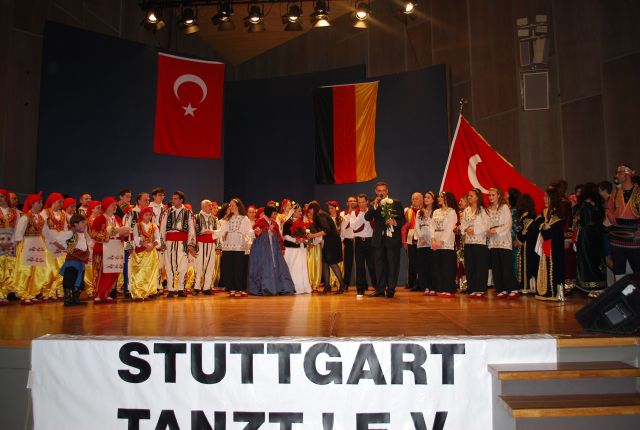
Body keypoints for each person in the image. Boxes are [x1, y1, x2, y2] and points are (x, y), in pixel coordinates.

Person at [365, 181, 405, 298]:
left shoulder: (396, 203)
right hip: (379, 240)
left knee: (392, 265)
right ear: (375, 192)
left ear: (387, 191)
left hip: (392, 239)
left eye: (383, 190)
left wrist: (395, 222)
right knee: (379, 265)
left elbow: (403, 220)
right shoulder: (374, 204)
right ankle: (380, 290)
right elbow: (367, 217)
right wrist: (374, 206)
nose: (381, 193)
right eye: (379, 191)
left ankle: (391, 290)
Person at [213, 198, 257, 296]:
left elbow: (248, 231)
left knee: (239, 268)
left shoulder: (244, 219)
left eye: (232, 205)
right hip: (228, 246)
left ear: (237, 206)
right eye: (230, 205)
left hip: (239, 246)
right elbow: (222, 231)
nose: (230, 207)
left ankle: (240, 288)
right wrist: (212, 232)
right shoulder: (227, 219)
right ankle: (231, 288)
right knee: (228, 268)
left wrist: (255, 232)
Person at [89, 197, 130, 303]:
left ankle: (107, 292)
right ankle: (99, 294)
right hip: (103, 248)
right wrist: (114, 231)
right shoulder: (100, 219)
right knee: (102, 272)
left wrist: (125, 233)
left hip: (116, 248)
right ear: (106, 207)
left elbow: (121, 234)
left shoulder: (117, 219)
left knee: (114, 272)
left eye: (115, 205)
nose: (115, 207)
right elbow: (94, 234)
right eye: (113, 205)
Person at [248, 205, 295, 296]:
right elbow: (255, 233)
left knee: (276, 265)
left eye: (275, 214)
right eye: (273, 214)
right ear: (269, 213)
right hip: (262, 248)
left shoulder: (274, 223)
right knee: (264, 266)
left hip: (273, 248)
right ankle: (265, 287)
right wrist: (267, 229)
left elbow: (279, 236)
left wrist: (282, 247)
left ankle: (278, 287)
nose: (275, 216)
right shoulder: (260, 221)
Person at [606, 165, 640, 279]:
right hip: (616, 236)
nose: (616, 176)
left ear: (627, 174)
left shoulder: (638, 192)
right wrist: (609, 214)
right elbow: (608, 208)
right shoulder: (615, 192)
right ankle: (621, 290)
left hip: (635, 236)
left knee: (637, 269)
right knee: (618, 269)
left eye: (619, 173)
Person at [12, 193, 47, 304]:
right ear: (32, 204)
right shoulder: (25, 217)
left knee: (36, 270)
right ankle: (23, 293)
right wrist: (20, 247)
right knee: (26, 270)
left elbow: (44, 232)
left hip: (38, 244)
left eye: (41, 202)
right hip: (28, 244)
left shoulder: (40, 217)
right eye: (39, 202)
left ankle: (32, 292)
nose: (41, 205)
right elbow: (18, 234)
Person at [160, 191, 196, 298]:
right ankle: (171, 289)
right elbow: (162, 228)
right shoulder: (167, 212)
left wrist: (191, 244)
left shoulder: (188, 213)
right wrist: (162, 242)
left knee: (183, 266)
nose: (173, 200)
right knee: (169, 266)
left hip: (182, 243)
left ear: (181, 200)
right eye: (172, 198)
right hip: (169, 243)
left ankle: (180, 289)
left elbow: (192, 229)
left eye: (175, 198)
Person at [308, 200, 347, 294]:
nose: (310, 212)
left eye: (310, 210)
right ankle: (327, 287)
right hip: (329, 240)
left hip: (332, 241)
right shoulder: (321, 214)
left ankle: (342, 286)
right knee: (325, 263)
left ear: (313, 209)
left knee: (332, 263)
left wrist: (313, 235)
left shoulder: (320, 215)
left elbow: (326, 230)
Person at [574, 182, 606, 296]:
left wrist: (578, 220)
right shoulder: (598, 204)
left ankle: (590, 285)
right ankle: (600, 284)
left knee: (587, 260)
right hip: (598, 234)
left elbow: (586, 221)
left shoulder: (586, 204)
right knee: (597, 259)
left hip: (587, 235)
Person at [487, 186, 519, 299]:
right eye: (489, 195)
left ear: (498, 196)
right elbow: (486, 224)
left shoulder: (504, 207)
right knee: (496, 267)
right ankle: (501, 289)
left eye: (493, 195)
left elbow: (508, 224)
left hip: (504, 241)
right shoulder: (489, 209)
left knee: (506, 266)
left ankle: (513, 288)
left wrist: (496, 231)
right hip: (493, 242)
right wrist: (488, 231)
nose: (491, 197)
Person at [536, 186, 566, 301]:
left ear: (551, 198)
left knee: (555, 267)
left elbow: (551, 229)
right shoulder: (546, 212)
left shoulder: (556, 212)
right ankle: (548, 291)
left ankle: (555, 292)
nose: (543, 198)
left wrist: (543, 228)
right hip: (548, 244)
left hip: (554, 245)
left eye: (546, 196)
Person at [461, 188, 490, 298]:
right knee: (470, 266)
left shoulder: (483, 210)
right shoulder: (466, 210)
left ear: (477, 197)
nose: (469, 197)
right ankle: (472, 288)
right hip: (469, 242)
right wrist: (466, 229)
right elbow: (463, 224)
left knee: (480, 266)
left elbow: (486, 225)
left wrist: (474, 230)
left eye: (471, 196)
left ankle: (481, 289)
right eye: (468, 196)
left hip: (480, 242)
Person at [429, 191, 458, 297]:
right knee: (438, 266)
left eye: (441, 196)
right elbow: (431, 226)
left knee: (447, 266)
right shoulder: (436, 212)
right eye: (439, 196)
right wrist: (433, 239)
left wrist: (441, 241)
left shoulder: (451, 212)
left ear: (447, 199)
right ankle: (440, 288)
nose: (439, 198)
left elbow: (450, 228)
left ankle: (449, 289)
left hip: (446, 242)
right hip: (436, 241)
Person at [58, 214, 90, 306]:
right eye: (82, 222)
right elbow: (57, 239)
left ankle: (76, 299)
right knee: (69, 278)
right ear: (75, 224)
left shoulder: (83, 234)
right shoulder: (70, 233)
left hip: (81, 261)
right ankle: (67, 299)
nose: (85, 224)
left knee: (79, 280)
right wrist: (66, 248)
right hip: (72, 260)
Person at [40, 192, 67, 300]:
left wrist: (64, 242)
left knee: (62, 267)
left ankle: (59, 291)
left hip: (61, 243)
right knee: (50, 268)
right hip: (49, 243)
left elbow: (65, 228)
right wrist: (55, 242)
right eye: (59, 201)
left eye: (62, 202)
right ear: (53, 201)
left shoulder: (63, 213)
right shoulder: (44, 212)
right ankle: (47, 292)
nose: (61, 204)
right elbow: (44, 229)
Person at [130, 207, 160, 300]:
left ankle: (149, 291)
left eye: (150, 215)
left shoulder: (154, 226)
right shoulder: (137, 226)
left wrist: (152, 245)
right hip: (140, 252)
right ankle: (138, 293)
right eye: (146, 215)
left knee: (151, 272)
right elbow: (136, 238)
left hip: (151, 252)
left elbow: (157, 239)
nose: (148, 217)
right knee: (139, 272)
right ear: (142, 215)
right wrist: (144, 245)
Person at [351, 194, 376, 298]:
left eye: (362, 202)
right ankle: (360, 289)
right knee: (359, 266)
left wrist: (367, 214)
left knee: (372, 265)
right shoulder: (355, 213)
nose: (361, 204)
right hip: (359, 241)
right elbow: (354, 226)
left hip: (370, 241)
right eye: (359, 202)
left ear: (367, 202)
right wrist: (361, 214)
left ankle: (377, 287)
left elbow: (375, 226)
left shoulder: (372, 212)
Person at [282, 203, 312, 294]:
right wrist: (296, 240)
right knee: (292, 267)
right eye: (299, 211)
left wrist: (305, 240)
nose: (301, 213)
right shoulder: (288, 223)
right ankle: (293, 287)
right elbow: (285, 236)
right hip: (291, 249)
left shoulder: (301, 222)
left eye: (301, 211)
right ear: (293, 212)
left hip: (300, 248)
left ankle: (302, 287)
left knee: (301, 267)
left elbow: (304, 235)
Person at [514, 194, 539, 294]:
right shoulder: (528, 215)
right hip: (528, 244)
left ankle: (527, 286)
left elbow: (525, 231)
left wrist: (519, 240)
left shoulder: (527, 216)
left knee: (527, 264)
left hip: (527, 245)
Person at [401, 192, 425, 291]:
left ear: (422, 200)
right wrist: (404, 241)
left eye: (416, 199)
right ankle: (412, 282)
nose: (414, 201)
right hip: (411, 238)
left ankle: (421, 282)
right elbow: (404, 227)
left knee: (421, 262)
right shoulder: (408, 211)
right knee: (412, 262)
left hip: (423, 238)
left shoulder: (425, 210)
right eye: (413, 199)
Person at [193, 200, 218, 295]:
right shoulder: (196, 217)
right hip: (200, 244)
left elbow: (218, 232)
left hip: (211, 244)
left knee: (210, 266)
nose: (211, 207)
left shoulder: (214, 219)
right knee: (198, 266)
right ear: (203, 207)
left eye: (211, 205)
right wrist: (192, 246)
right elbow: (192, 232)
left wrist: (218, 247)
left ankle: (207, 287)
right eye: (209, 205)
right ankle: (197, 287)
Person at [0, 189, 19, 304]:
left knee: (10, 268)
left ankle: (5, 293)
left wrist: (13, 241)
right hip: (0, 241)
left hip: (11, 241)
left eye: (2, 196)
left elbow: (17, 228)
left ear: (6, 198)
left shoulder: (15, 212)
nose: (0, 199)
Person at [417, 191, 437, 295]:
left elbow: (433, 225)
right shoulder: (419, 212)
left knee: (432, 265)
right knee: (423, 265)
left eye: (428, 197)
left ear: (433, 200)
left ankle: (433, 286)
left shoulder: (436, 212)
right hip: (422, 241)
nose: (425, 199)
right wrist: (420, 237)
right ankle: (426, 287)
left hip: (432, 241)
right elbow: (416, 225)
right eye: (425, 197)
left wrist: (427, 216)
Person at [326, 200, 344, 290]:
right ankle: (328, 284)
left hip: (336, 243)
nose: (330, 210)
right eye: (329, 208)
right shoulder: (327, 218)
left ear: (336, 209)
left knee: (334, 263)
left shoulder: (340, 219)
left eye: (332, 208)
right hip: (328, 243)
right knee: (327, 263)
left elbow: (342, 233)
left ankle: (340, 284)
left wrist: (339, 241)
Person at [340, 196, 357, 288]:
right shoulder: (342, 213)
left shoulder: (359, 212)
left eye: (354, 201)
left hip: (358, 239)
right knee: (348, 262)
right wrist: (349, 214)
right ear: (347, 203)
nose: (352, 202)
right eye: (350, 201)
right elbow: (343, 227)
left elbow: (356, 226)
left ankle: (363, 283)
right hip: (348, 240)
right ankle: (346, 283)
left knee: (361, 263)